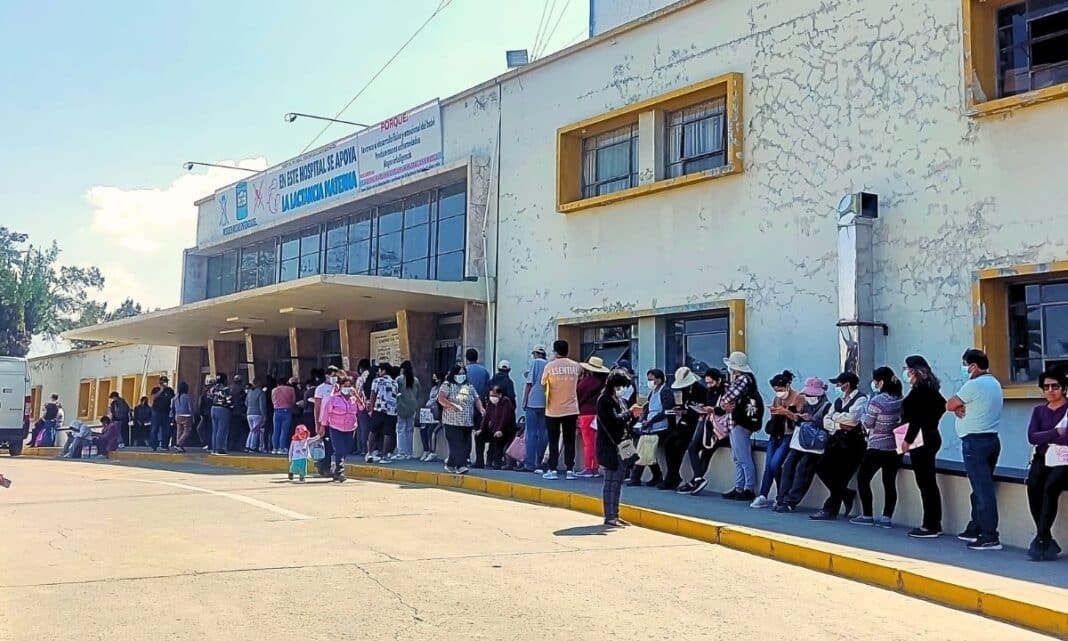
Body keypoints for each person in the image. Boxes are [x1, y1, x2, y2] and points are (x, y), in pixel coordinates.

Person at [947, 348, 1005, 550]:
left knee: (982, 490)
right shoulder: (994, 383)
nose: (964, 369)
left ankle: (990, 535)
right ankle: (976, 526)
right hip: (991, 440)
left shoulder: (973, 385)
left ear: (973, 366)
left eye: (965, 365)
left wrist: (956, 407)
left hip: (975, 443)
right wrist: (959, 408)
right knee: (979, 488)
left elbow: (949, 403)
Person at [809, 372, 868, 520]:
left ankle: (830, 509)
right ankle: (845, 493)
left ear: (847, 385)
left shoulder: (861, 399)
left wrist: (836, 420)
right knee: (821, 467)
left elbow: (853, 420)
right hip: (836, 441)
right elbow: (826, 421)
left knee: (842, 476)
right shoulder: (838, 401)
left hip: (853, 444)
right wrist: (839, 423)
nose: (837, 387)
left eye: (839, 384)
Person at [900, 355, 948, 538]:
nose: (905, 372)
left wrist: (907, 440)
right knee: (927, 482)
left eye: (907, 369)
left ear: (914, 370)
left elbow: (916, 419)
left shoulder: (921, 391)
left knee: (926, 482)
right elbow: (941, 406)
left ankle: (931, 524)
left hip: (922, 439)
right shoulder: (930, 389)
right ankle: (932, 522)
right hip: (930, 436)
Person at [850, 367, 904, 528]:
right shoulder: (899, 399)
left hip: (876, 446)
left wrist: (863, 413)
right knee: (889, 482)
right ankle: (887, 517)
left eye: (875, 381)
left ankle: (867, 514)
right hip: (894, 447)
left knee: (863, 478)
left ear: (880, 382)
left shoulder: (877, 401)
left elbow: (868, 423)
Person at [1025, 368, 1068, 561]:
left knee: (1050, 488)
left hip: (1064, 460)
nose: (1051, 390)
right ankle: (1045, 539)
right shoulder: (1039, 411)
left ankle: (1041, 539)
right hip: (1042, 458)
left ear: (1064, 388)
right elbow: (1032, 437)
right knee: (1033, 488)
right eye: (1046, 387)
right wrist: (1055, 433)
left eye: (1055, 386)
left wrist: (1050, 436)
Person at [774, 377, 832, 512]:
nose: (809, 397)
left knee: (803, 468)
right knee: (787, 465)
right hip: (800, 441)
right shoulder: (805, 404)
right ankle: (781, 498)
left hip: (815, 445)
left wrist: (812, 419)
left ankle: (791, 501)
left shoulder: (827, 406)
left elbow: (828, 425)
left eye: (812, 395)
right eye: (807, 394)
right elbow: (797, 422)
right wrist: (796, 417)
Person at [752, 371, 804, 508]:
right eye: (776, 390)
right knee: (768, 465)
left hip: (789, 435)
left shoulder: (798, 398)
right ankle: (763, 494)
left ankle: (782, 493)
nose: (778, 393)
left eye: (780, 390)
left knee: (775, 464)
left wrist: (786, 412)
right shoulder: (777, 399)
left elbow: (800, 418)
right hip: (776, 434)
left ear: (787, 386)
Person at [717, 352, 762, 500]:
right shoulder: (747, 380)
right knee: (738, 457)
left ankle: (747, 488)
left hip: (739, 423)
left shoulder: (742, 379)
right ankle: (740, 487)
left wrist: (723, 404)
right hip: (737, 422)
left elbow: (727, 398)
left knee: (742, 457)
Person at [597, 372, 638, 528]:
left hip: (621, 445)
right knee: (611, 482)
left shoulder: (617, 399)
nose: (622, 389)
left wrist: (633, 415)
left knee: (618, 481)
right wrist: (630, 413)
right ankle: (610, 516)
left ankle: (615, 514)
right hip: (611, 446)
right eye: (621, 386)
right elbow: (613, 421)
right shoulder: (605, 400)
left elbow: (623, 420)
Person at [678, 370, 727, 495]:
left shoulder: (725, 391)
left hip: (717, 426)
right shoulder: (709, 391)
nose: (709, 385)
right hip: (708, 422)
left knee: (700, 449)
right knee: (698, 449)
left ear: (718, 380)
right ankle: (697, 479)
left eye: (711, 382)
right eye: (707, 382)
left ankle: (697, 479)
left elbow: (726, 409)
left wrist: (713, 409)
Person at [627, 368, 674, 488]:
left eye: (651, 379)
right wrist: (642, 420)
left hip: (662, 426)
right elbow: (647, 408)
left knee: (645, 448)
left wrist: (651, 421)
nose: (649, 382)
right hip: (650, 426)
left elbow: (666, 411)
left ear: (659, 380)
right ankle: (655, 476)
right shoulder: (652, 392)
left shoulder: (666, 392)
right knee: (646, 449)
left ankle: (636, 477)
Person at [542, 340, 581, 480]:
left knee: (553, 440)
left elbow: (543, 384)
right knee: (570, 440)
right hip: (571, 409)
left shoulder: (549, 366)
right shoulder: (576, 366)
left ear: (555, 351)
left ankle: (553, 469)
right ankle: (570, 469)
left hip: (553, 409)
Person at [438, 365, 484, 474]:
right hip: (451, 421)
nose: (461, 376)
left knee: (465, 445)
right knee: (456, 444)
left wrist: (481, 408)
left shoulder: (469, 386)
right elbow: (441, 398)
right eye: (459, 373)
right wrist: (450, 405)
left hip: (467, 422)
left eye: (463, 373)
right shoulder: (447, 385)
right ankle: (461, 466)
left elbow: (476, 398)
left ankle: (451, 464)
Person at [665, 367, 704, 490]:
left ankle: (672, 476)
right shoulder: (686, 389)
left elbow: (702, 408)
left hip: (696, 423)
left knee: (680, 446)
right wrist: (681, 409)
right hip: (686, 421)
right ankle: (673, 474)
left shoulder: (701, 390)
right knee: (669, 443)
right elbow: (686, 404)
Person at [319, 377, 360, 482]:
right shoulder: (334, 399)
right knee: (339, 449)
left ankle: (337, 468)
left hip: (350, 428)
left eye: (349, 386)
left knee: (347, 449)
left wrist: (357, 397)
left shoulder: (354, 399)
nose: (347, 388)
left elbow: (362, 408)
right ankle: (340, 471)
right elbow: (325, 413)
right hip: (336, 427)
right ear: (340, 387)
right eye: (345, 386)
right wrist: (322, 426)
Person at [576, 356, 609, 478]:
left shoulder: (586, 382)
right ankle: (596, 466)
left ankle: (589, 468)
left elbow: (577, 396)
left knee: (588, 442)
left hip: (586, 414)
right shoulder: (604, 382)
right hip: (599, 414)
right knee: (596, 442)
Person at [522, 345, 549, 473]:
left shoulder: (535, 363)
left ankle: (529, 463)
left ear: (536, 354)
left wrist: (524, 400)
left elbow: (529, 383)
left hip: (533, 402)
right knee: (543, 433)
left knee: (531, 434)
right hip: (545, 403)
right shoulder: (549, 364)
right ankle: (541, 462)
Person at [477, 384, 517, 469]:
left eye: (494, 395)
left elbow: (504, 418)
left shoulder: (506, 402)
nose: (492, 398)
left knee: (497, 438)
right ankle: (479, 462)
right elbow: (486, 417)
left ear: (500, 395)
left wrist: (500, 430)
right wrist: (481, 429)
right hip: (494, 429)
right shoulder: (490, 404)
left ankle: (496, 462)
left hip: (506, 430)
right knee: (479, 436)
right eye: (491, 395)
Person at [368, 362, 399, 463]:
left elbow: (373, 395)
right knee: (388, 433)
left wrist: (371, 409)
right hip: (391, 411)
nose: (378, 372)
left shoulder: (377, 381)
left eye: (380, 370)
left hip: (379, 408)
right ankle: (385, 456)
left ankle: (370, 453)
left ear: (383, 370)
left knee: (373, 431)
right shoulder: (395, 382)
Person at [395, 361, 422, 461]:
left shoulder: (399, 379)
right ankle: (409, 453)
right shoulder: (416, 380)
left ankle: (401, 452)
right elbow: (419, 395)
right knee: (410, 430)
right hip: (412, 408)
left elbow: (395, 392)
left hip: (401, 407)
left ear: (402, 369)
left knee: (401, 429)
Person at [313, 367, 338, 473]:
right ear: (327, 376)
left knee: (335, 446)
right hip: (325, 422)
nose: (334, 378)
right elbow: (317, 408)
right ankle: (323, 466)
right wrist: (318, 425)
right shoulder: (320, 389)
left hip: (337, 421)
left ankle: (328, 466)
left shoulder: (338, 388)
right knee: (327, 446)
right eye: (332, 375)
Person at [420, 372, 445, 462]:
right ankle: (426, 449)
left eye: (436, 377)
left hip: (438, 416)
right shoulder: (433, 388)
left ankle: (432, 451)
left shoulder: (443, 388)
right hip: (429, 413)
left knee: (431, 430)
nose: (434, 379)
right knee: (423, 429)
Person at [270, 377, 297, 455]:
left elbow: (273, 400)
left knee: (276, 430)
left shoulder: (273, 390)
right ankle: (282, 448)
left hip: (276, 411)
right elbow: (293, 401)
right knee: (284, 430)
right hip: (286, 410)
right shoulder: (291, 389)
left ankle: (274, 448)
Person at [208, 374, 233, 455]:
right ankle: (220, 448)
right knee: (222, 430)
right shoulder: (226, 389)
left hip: (213, 408)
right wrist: (232, 407)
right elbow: (229, 400)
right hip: (223, 409)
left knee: (215, 430)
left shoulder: (213, 389)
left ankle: (214, 449)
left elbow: (209, 397)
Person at [150, 376, 175, 452]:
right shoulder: (155, 389)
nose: (165, 383)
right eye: (163, 382)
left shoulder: (170, 390)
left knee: (166, 429)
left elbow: (172, 399)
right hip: (156, 412)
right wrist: (161, 390)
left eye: (166, 382)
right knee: (155, 429)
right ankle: (154, 445)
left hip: (165, 412)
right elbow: (153, 398)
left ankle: (165, 445)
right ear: (160, 382)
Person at [228, 374, 248, 454]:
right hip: (238, 412)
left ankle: (230, 445)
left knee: (231, 430)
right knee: (237, 430)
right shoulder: (240, 390)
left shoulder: (229, 388)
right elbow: (242, 402)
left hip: (230, 411)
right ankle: (236, 446)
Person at [245, 379, 267, 453]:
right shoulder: (261, 392)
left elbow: (246, 403)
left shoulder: (249, 392)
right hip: (257, 414)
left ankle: (247, 446)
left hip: (249, 413)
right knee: (256, 431)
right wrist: (264, 415)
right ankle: (252, 447)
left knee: (251, 430)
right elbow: (262, 406)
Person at [196, 377, 213, 450]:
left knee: (207, 429)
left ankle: (208, 444)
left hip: (207, 414)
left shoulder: (207, 394)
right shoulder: (206, 394)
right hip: (206, 414)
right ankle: (206, 443)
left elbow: (201, 404)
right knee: (202, 429)